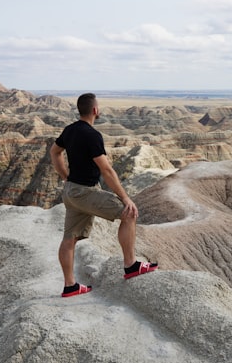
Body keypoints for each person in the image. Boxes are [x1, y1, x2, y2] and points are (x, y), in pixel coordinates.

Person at [50, 93, 158, 297]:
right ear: (95, 110)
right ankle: (130, 265)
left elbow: (54, 152)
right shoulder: (92, 135)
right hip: (85, 192)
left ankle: (70, 285)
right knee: (129, 214)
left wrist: (65, 176)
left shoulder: (70, 130)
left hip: (71, 191)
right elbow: (107, 170)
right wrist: (125, 198)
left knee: (69, 238)